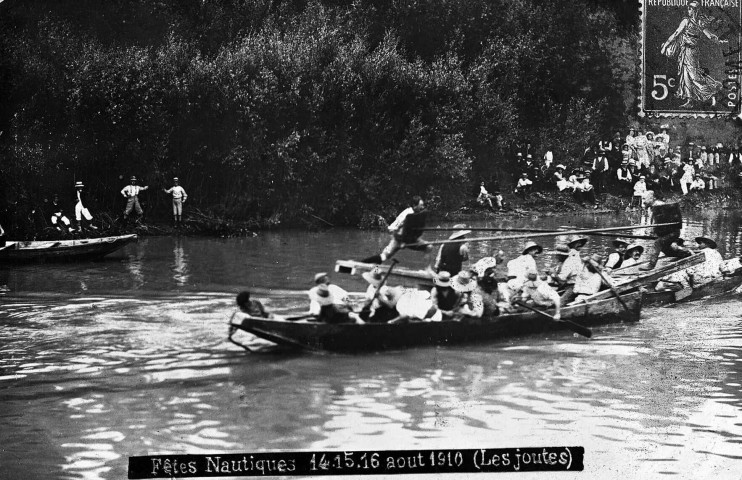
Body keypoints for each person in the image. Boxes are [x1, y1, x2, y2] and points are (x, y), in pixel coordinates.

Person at [660, 1, 727, 108]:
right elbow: (676, 34)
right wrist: (665, 46)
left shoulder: (699, 22)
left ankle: (711, 94)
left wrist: (720, 41)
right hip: (685, 51)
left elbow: (710, 35)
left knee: (694, 76)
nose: (689, 10)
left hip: (692, 52)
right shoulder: (686, 21)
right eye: (689, 8)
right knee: (685, 75)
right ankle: (690, 100)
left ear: (696, 10)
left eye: (692, 8)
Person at [361, 195, 433, 266]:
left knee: (429, 247)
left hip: (411, 239)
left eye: (422, 205)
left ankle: (427, 270)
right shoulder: (407, 214)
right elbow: (395, 228)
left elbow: (416, 229)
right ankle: (364, 264)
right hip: (399, 239)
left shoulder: (418, 214)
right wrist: (402, 242)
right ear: (414, 205)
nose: (422, 207)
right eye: (420, 205)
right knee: (384, 257)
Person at [641, 190, 689, 270]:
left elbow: (670, 221)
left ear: (651, 198)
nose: (643, 201)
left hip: (672, 232)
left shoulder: (660, 206)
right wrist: (653, 231)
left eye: (644, 199)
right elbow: (655, 223)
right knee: (667, 250)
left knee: (658, 243)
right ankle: (686, 253)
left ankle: (651, 265)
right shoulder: (651, 208)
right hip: (664, 232)